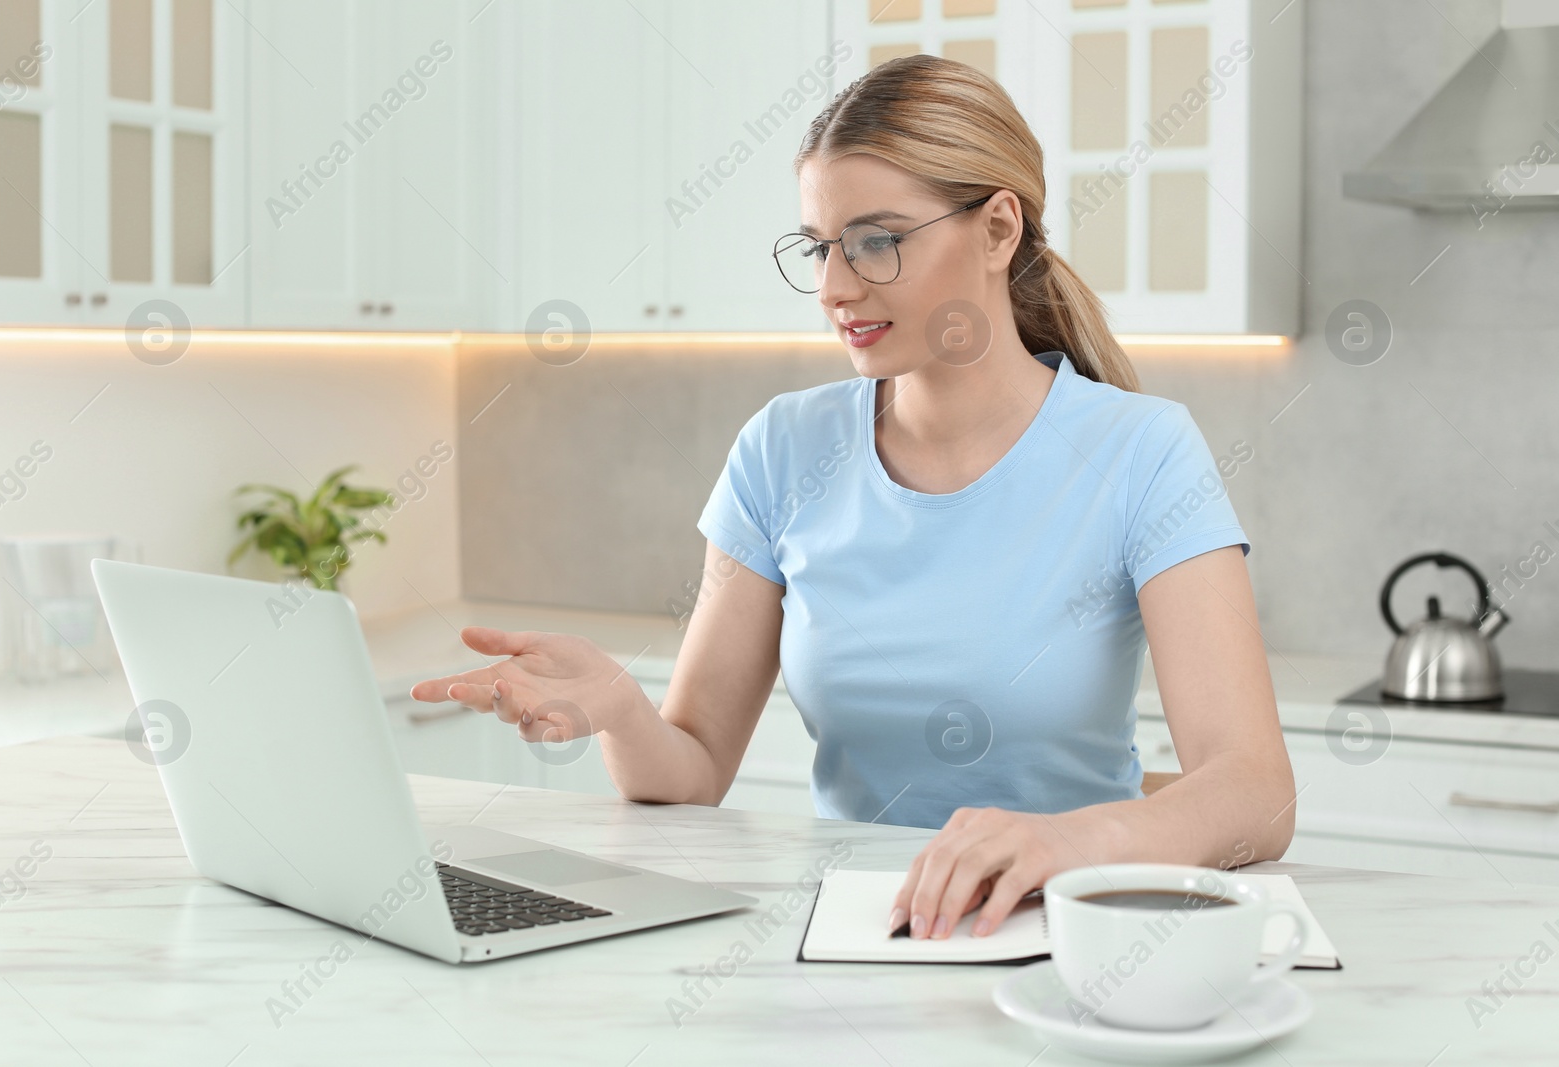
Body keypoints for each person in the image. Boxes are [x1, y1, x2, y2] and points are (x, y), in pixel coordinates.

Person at [412, 55, 1294, 944]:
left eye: (878, 241)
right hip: (854, 935)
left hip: (1072, 939)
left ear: (996, 230)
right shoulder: (780, 448)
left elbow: (1255, 789)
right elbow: (692, 770)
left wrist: (1069, 841)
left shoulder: (1142, 451)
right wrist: (619, 705)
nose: (836, 287)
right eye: (819, 246)